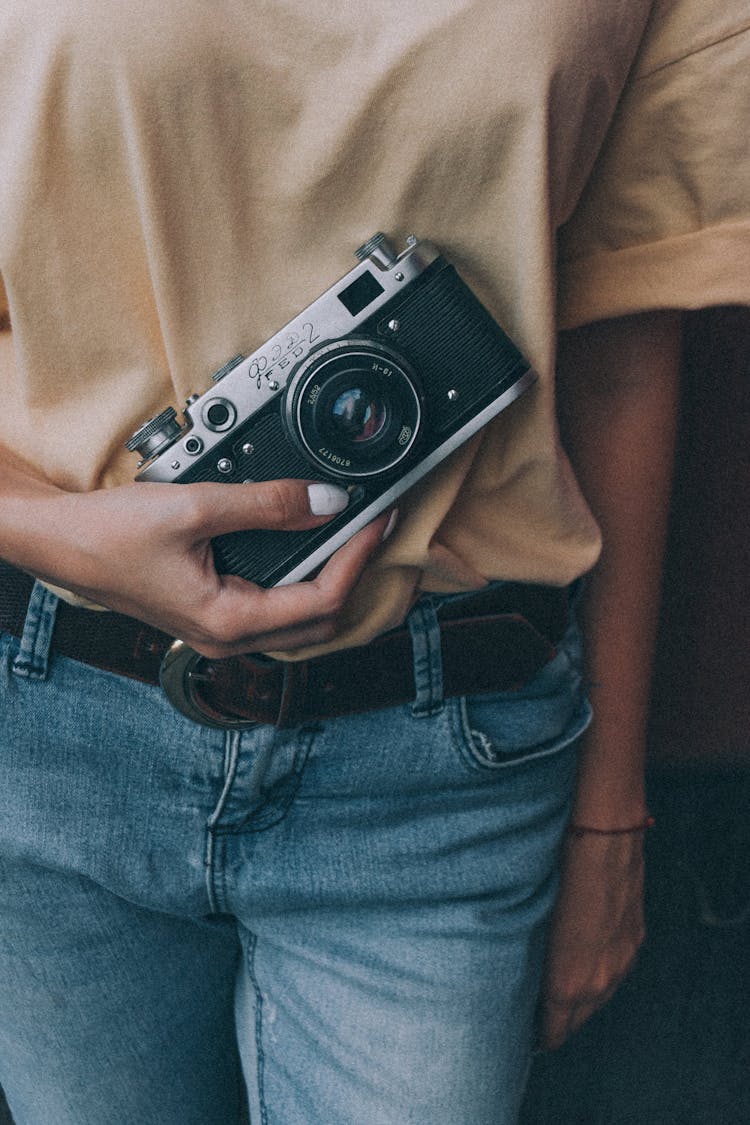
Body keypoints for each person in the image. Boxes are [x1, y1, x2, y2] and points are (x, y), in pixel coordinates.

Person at [0, 2, 747, 1122]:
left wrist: (609, 815)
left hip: (445, 765)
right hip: (50, 723)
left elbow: (622, 336)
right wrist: (35, 524)